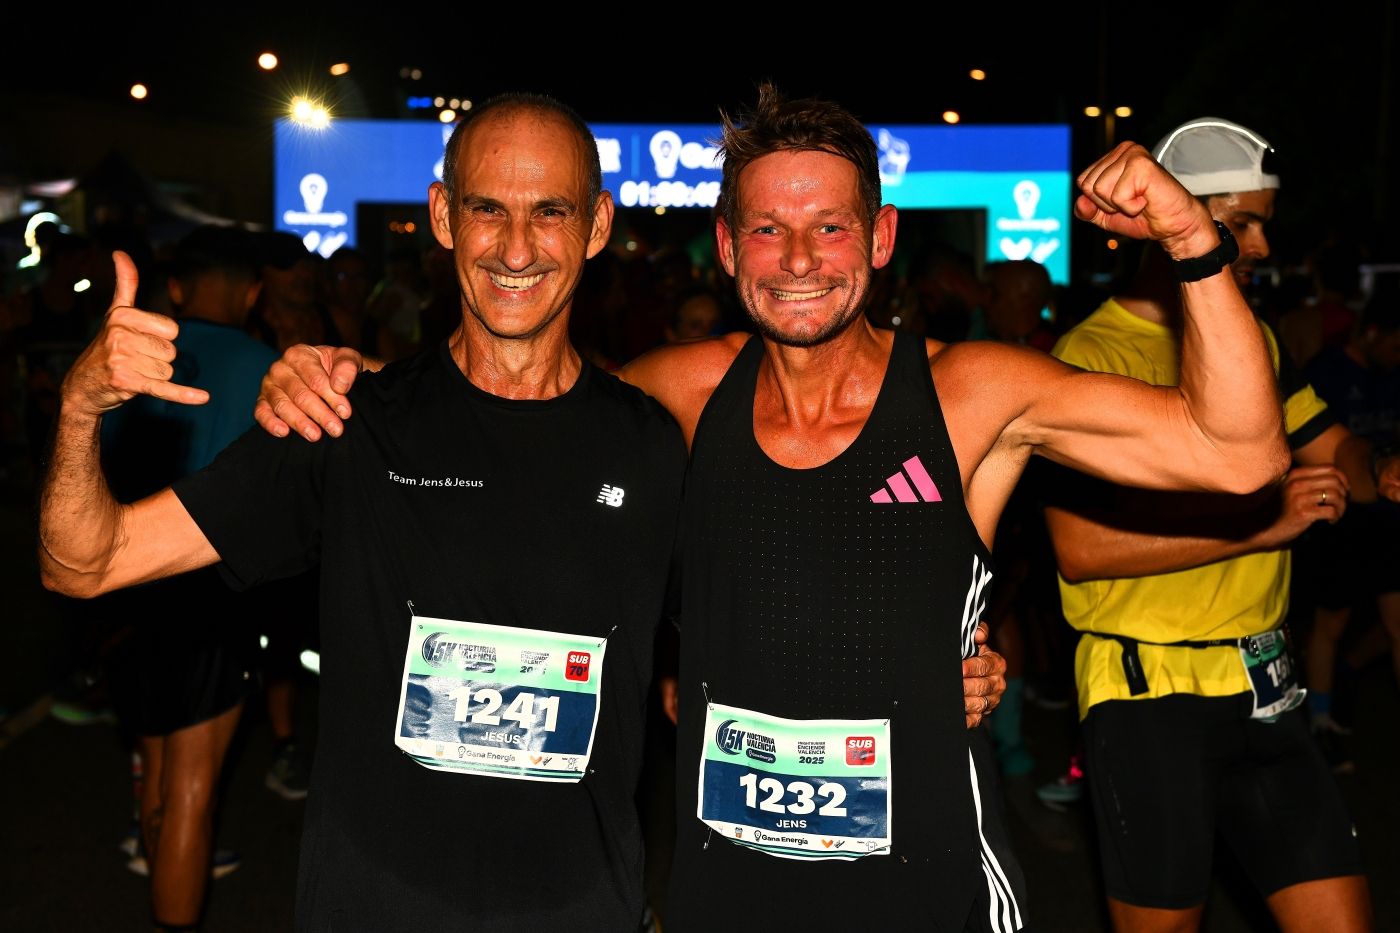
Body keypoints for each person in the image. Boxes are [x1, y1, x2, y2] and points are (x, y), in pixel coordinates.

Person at [258, 86, 1292, 931]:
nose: (797, 261)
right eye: (766, 230)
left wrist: (1190, 243)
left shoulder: (973, 393)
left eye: (827, 227)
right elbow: (508, 426)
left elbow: (1240, 454)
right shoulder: (669, 397)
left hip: (923, 891)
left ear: (879, 237)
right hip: (725, 896)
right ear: (724, 247)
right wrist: (334, 384)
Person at [38, 91, 1006, 932]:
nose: (513, 247)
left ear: (594, 227)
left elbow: (765, 612)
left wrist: (938, 667)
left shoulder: (652, 442)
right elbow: (83, 562)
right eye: (486, 210)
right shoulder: (345, 425)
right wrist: (81, 408)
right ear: (441, 218)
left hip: (585, 915)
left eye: (548, 213)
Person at [1043, 117, 1393, 933]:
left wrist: (1381, 471)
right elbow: (1080, 550)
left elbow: (1338, 453)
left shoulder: (1254, 343)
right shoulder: (1089, 357)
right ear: (1169, 217)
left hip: (1265, 686)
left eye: (1264, 224)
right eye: (1240, 225)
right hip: (1150, 696)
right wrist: (1260, 526)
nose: (1264, 246)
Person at [97, 225, 274, 930]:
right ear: (252, 292)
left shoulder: (132, 363)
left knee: (157, 770)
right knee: (195, 791)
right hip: (213, 595)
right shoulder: (268, 364)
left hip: (130, 583)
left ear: (176, 288)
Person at [1302, 293, 1400, 770]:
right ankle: (1320, 721)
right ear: (1373, 333)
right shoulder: (1326, 372)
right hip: (1342, 518)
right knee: (1331, 622)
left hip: (1390, 518)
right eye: (1395, 345)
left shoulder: (1393, 375)